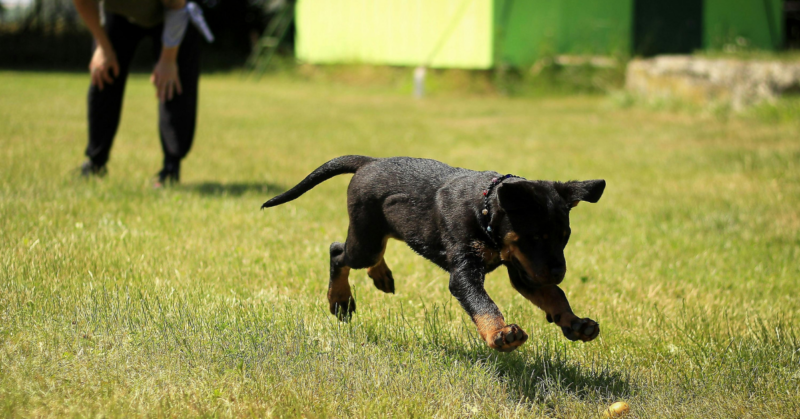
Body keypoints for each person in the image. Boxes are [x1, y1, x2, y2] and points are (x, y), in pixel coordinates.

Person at [73, 0, 211, 186]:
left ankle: (171, 168)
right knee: (103, 73)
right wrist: (102, 46)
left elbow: (177, 7)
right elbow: (82, 2)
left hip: (173, 12)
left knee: (173, 85)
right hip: (119, 14)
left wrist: (168, 59)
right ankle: (96, 162)